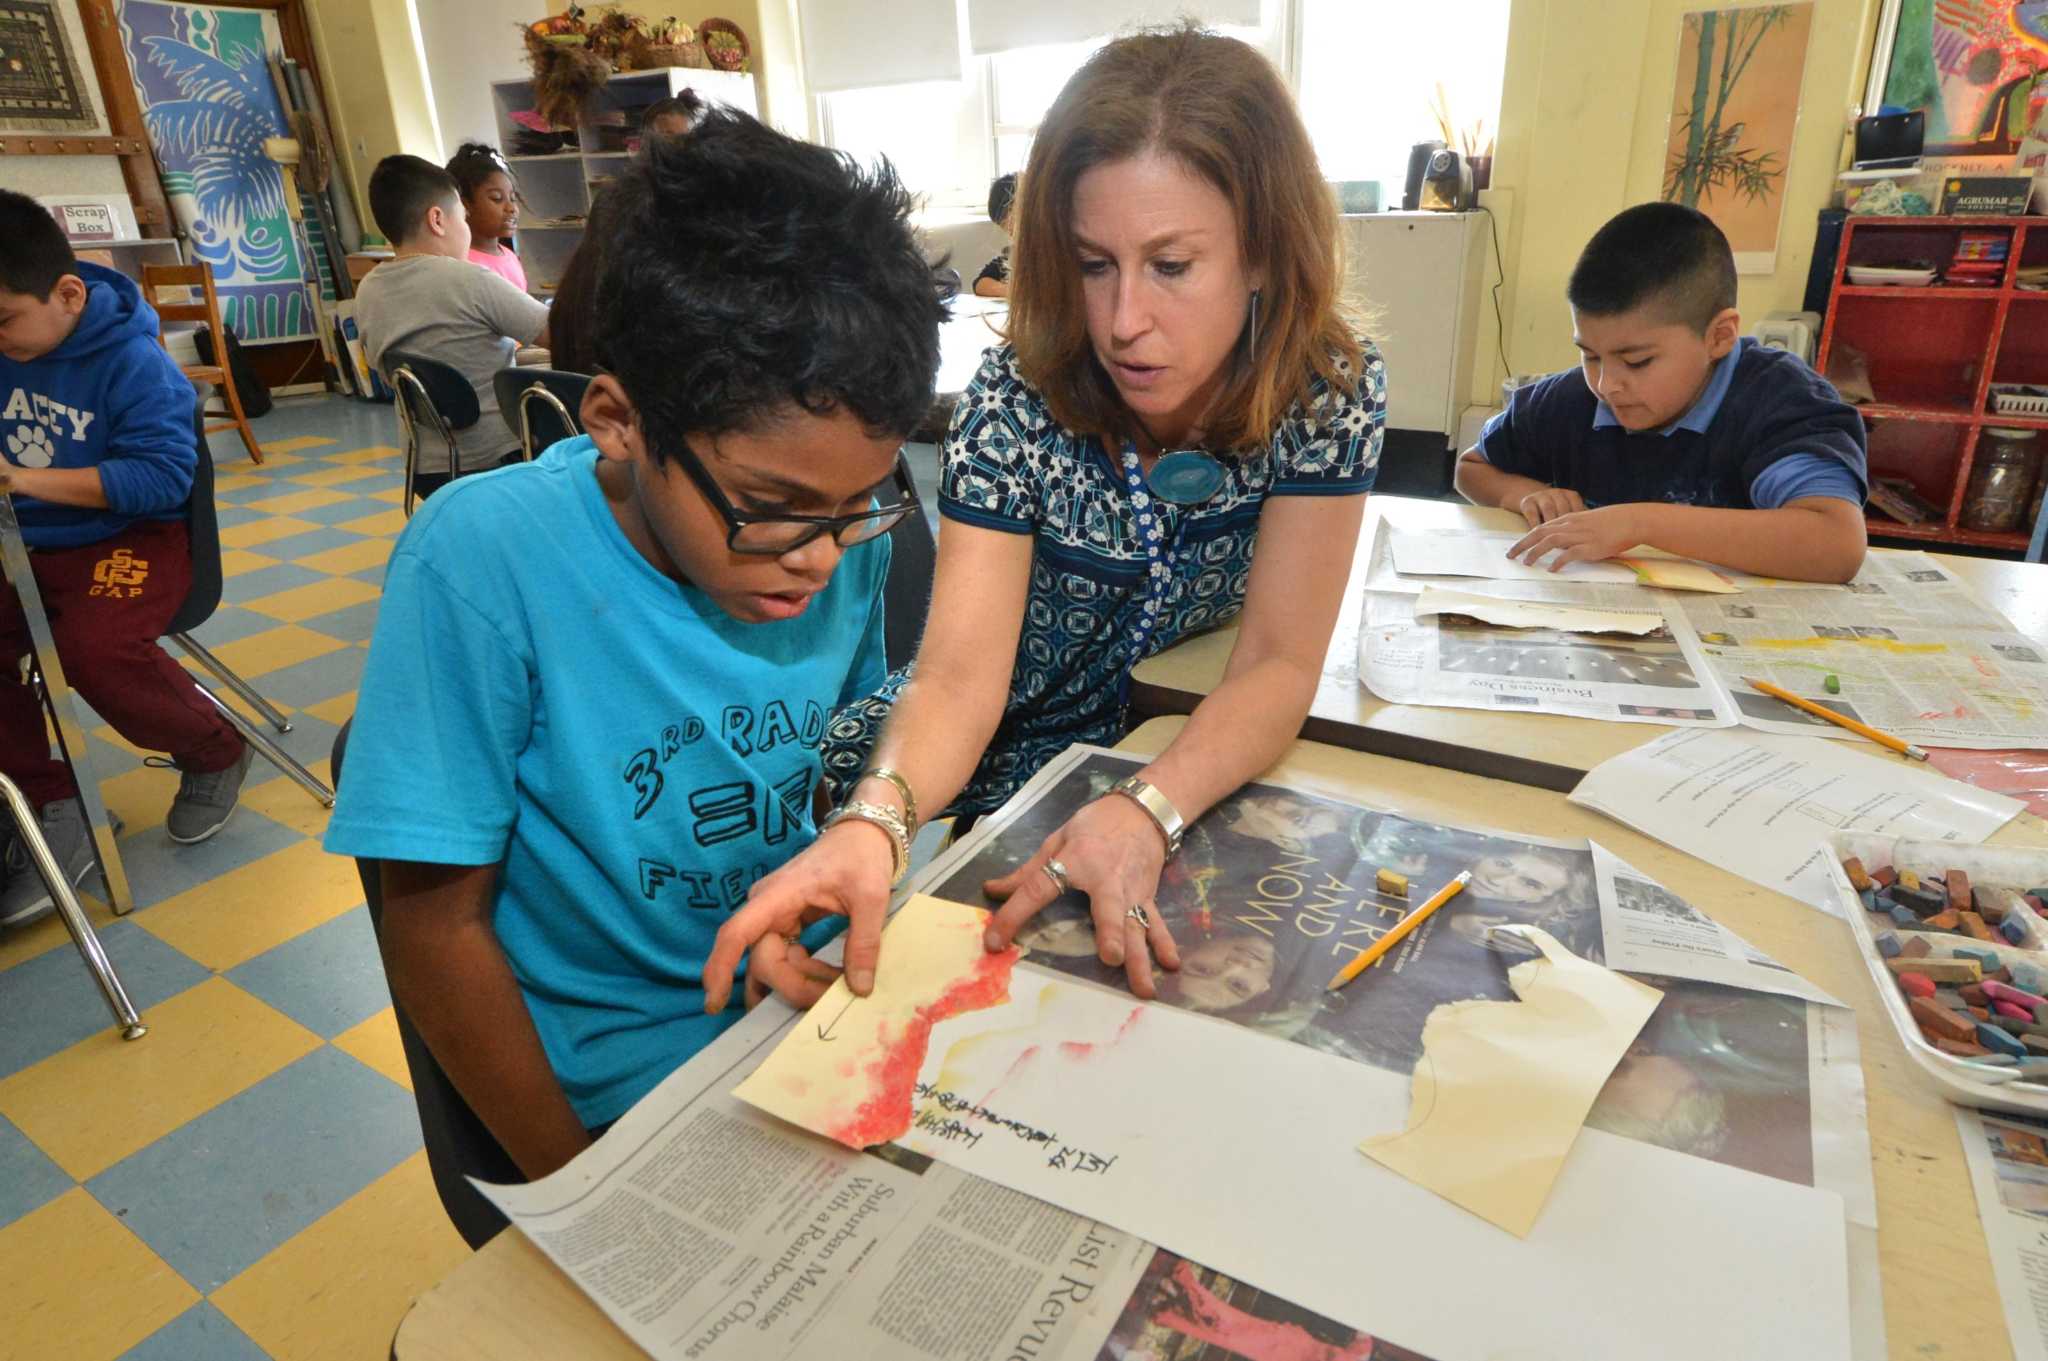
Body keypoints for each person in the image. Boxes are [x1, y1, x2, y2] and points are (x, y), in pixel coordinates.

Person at [705, 25, 1387, 1013]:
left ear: (1263, 258)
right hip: (992, 750)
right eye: (1091, 263)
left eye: (1170, 264)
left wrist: (1147, 804)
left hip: (1172, 737)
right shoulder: (1014, 396)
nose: (1119, 320)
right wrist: (877, 822)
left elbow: (1279, 660)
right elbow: (956, 677)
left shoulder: (1326, 387)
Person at [322, 110, 944, 1179]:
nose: (822, 559)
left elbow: (819, 778)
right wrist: (574, 1190)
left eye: (860, 504)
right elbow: (431, 928)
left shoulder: (839, 537)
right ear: (615, 419)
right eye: (772, 507)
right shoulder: (481, 560)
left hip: (786, 1016)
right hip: (609, 1093)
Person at [0, 190, 252, 926]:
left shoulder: (137, 364)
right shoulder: (15, 342)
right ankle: (49, 799)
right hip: (32, 538)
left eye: (5, 320)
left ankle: (214, 748)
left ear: (68, 294)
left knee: (91, 648)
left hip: (135, 538)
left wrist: (23, 480)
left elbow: (159, 480)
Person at [1453, 202, 1869, 583]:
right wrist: (1525, 495)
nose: (1606, 385)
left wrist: (1639, 524)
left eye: (1636, 362)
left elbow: (1836, 544)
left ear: (1719, 336)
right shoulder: (1570, 399)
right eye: (1590, 355)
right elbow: (1471, 468)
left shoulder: (1778, 401)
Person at [355, 154, 550, 500]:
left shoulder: (367, 290)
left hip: (427, 473)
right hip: (495, 461)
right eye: (463, 215)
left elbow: (382, 369)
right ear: (438, 220)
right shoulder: (469, 280)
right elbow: (557, 334)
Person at [446, 142, 527, 292]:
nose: (512, 208)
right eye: (497, 198)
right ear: (464, 205)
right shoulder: (463, 265)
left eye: (513, 198)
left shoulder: (509, 255)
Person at [973, 172, 1019, 298]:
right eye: (1003, 225)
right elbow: (980, 282)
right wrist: (1011, 291)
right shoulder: (1017, 252)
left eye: (1010, 212)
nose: (1009, 230)